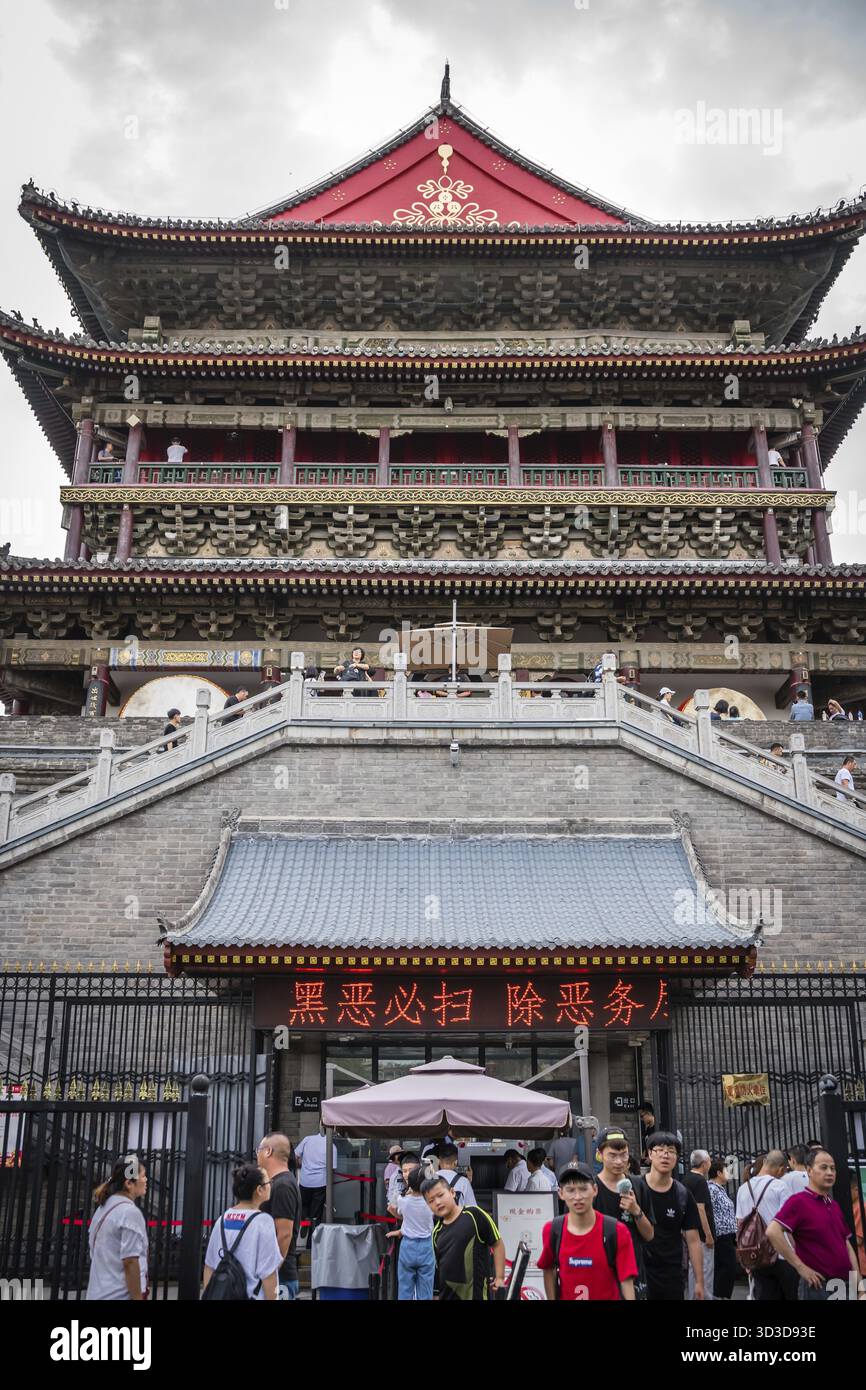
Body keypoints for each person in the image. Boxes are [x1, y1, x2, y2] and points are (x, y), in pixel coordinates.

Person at [767, 1148, 864, 1301]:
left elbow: (846, 1244)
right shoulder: (799, 1201)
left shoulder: (833, 1204)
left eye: (833, 1168)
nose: (830, 1172)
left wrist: (859, 1287)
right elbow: (772, 1231)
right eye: (823, 1167)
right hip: (819, 1288)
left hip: (845, 1285)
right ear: (809, 1170)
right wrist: (801, 1267)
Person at [537, 1163, 637, 1301]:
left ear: (595, 1190)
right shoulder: (553, 1230)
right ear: (561, 1193)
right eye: (570, 1190)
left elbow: (626, 1280)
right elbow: (548, 1268)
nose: (578, 1197)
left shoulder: (616, 1231)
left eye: (583, 1189)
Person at [202, 1163, 281, 1300]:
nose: (271, 1185)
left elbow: (209, 1266)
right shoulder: (263, 1222)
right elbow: (269, 1274)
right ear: (259, 1190)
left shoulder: (222, 1219)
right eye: (269, 1182)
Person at [592, 1127, 654, 1299]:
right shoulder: (591, 1188)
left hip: (634, 1269)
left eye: (623, 1154)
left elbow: (649, 1235)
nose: (619, 1161)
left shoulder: (639, 1186)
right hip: (601, 1270)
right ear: (600, 1154)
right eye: (612, 1155)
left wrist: (636, 1210)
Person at [423, 1174, 506, 1301]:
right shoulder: (436, 1232)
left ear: (452, 1192)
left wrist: (500, 1277)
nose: (437, 1202)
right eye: (431, 1200)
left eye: (440, 1195)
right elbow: (439, 1269)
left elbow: (497, 1243)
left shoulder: (474, 1214)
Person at [643, 1132, 703, 1300]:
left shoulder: (682, 1194)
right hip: (642, 1272)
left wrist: (699, 1281)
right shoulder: (638, 1189)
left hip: (672, 1274)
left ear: (676, 1157)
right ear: (650, 1154)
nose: (665, 1155)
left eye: (671, 1150)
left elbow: (693, 1240)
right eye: (659, 1150)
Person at [85, 1154, 149, 1300]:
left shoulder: (102, 1209)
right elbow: (130, 1261)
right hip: (119, 1295)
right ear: (129, 1183)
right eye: (143, 1176)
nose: (146, 1180)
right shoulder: (130, 1212)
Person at [735, 1149, 796, 1300]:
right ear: (781, 1168)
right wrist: (797, 1252)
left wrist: (745, 1256)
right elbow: (788, 1225)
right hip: (782, 1255)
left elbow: (740, 1225)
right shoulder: (780, 1187)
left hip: (757, 1255)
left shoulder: (743, 1189)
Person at [257, 1133, 301, 1300]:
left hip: (279, 1277)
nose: (257, 1154)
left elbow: (284, 1234)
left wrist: (271, 1270)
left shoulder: (283, 1185)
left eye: (259, 1150)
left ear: (268, 1151)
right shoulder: (279, 1183)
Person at [393, 1166, 435, 1300]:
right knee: (426, 1290)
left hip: (407, 1245)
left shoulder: (402, 1200)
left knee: (405, 1289)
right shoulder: (431, 1202)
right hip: (426, 1246)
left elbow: (398, 1212)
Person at [295, 1123, 338, 1246]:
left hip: (305, 1181)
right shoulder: (332, 1146)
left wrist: (302, 1165)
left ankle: (304, 1223)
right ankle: (311, 1242)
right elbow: (332, 1169)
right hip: (321, 1182)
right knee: (316, 1213)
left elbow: (296, 1155)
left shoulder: (308, 1139)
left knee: (303, 1207)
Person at [682, 1149, 715, 1300]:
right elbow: (701, 1209)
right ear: (704, 1163)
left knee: (693, 1270)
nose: (710, 1164)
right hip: (701, 1235)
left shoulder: (686, 1179)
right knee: (705, 1271)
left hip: (690, 1231)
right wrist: (708, 1235)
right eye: (709, 1161)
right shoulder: (700, 1181)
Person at [708, 1159, 738, 1299]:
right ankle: (720, 1296)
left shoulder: (720, 1189)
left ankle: (722, 1295)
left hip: (727, 1234)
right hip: (721, 1234)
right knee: (727, 1267)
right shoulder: (712, 1189)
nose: (728, 1173)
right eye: (726, 1170)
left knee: (727, 1267)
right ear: (719, 1173)